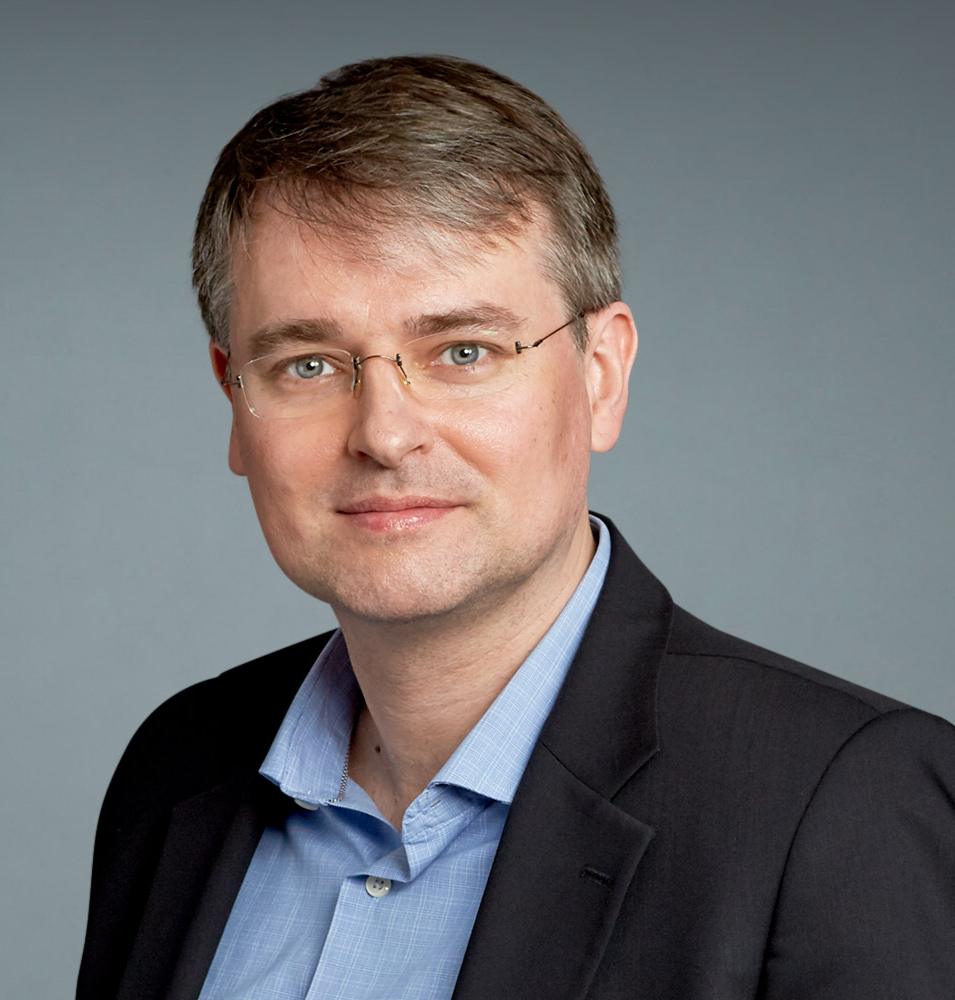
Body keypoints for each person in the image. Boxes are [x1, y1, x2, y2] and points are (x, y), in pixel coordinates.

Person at [76, 55, 955, 1000]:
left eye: (463, 351)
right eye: (310, 365)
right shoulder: (179, 769)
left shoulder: (841, 802)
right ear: (233, 400)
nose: (384, 435)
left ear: (601, 376)